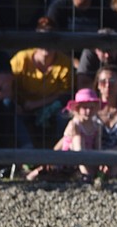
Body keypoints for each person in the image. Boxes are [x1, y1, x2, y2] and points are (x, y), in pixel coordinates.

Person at [11, 16, 74, 149]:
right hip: (22, 105)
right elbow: (8, 85)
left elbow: (65, 94)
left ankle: (58, 156)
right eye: (43, 39)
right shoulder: (21, 59)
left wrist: (38, 104)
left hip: (51, 107)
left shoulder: (65, 62)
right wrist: (16, 103)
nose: (47, 44)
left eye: (51, 39)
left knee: (64, 116)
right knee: (10, 112)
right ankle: (27, 153)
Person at [27, 87, 103, 181]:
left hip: (87, 156)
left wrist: (100, 161)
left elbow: (97, 145)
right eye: (85, 107)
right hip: (70, 157)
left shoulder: (96, 126)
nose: (88, 111)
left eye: (91, 107)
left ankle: (88, 174)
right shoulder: (74, 124)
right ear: (77, 108)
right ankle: (85, 174)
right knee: (78, 140)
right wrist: (53, 155)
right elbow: (70, 143)